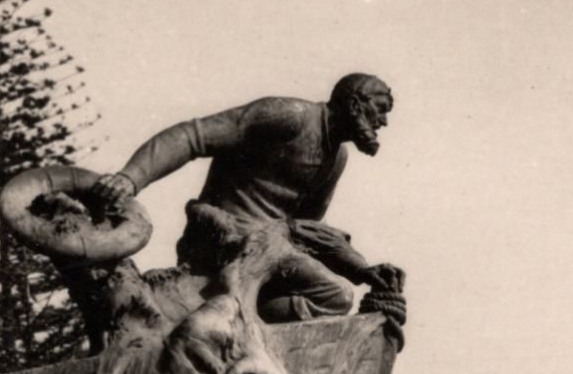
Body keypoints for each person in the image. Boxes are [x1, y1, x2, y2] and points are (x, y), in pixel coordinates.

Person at [91, 73, 403, 327]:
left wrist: (361, 269)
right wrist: (131, 177)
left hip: (268, 250)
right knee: (335, 296)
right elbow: (193, 136)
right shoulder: (290, 115)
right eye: (381, 108)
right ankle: (231, 326)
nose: (384, 122)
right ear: (355, 104)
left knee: (332, 296)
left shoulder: (336, 159)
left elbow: (304, 229)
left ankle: (241, 328)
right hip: (220, 236)